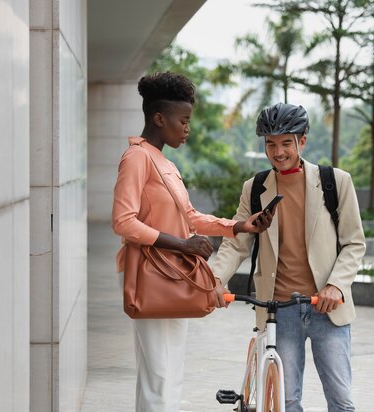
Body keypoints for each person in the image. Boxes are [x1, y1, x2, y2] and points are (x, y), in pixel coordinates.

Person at [111, 71, 272, 412]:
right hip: (152, 276)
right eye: (182, 120)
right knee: (159, 375)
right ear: (159, 118)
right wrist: (183, 245)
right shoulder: (136, 158)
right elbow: (124, 222)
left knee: (169, 372)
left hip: (173, 276)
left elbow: (190, 216)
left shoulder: (164, 162)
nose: (187, 128)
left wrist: (239, 226)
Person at [210, 102, 366, 412]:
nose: (278, 152)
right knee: (287, 401)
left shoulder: (335, 182)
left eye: (285, 143)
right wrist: (214, 278)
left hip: (326, 307)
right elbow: (236, 241)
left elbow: (354, 243)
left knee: (341, 401)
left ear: (302, 141)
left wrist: (336, 285)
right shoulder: (255, 188)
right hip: (279, 312)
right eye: (270, 144)